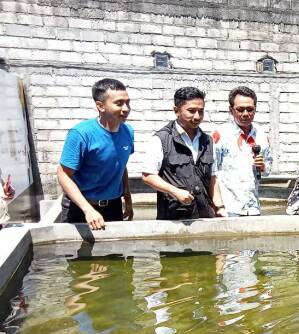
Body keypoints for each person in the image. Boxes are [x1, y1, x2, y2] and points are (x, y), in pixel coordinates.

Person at [57, 78, 134, 230]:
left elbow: (120, 165)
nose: (126, 108)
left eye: (128, 102)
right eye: (119, 103)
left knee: (115, 253)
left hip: (113, 207)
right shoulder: (81, 133)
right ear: (100, 106)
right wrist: (87, 209)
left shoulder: (128, 131)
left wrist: (128, 198)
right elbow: (63, 175)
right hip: (80, 208)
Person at [142, 87, 225, 220]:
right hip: (174, 218)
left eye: (201, 111)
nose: (197, 116)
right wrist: (175, 192)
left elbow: (213, 178)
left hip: (205, 216)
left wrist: (219, 207)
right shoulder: (161, 139)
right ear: (176, 111)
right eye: (191, 111)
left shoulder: (207, 141)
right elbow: (148, 176)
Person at [212, 86, 272, 217]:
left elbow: (267, 170)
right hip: (229, 208)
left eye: (250, 109)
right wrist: (218, 206)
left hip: (253, 208)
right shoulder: (221, 134)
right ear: (231, 110)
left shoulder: (261, 135)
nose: (245, 114)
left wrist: (262, 166)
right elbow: (212, 172)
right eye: (240, 109)